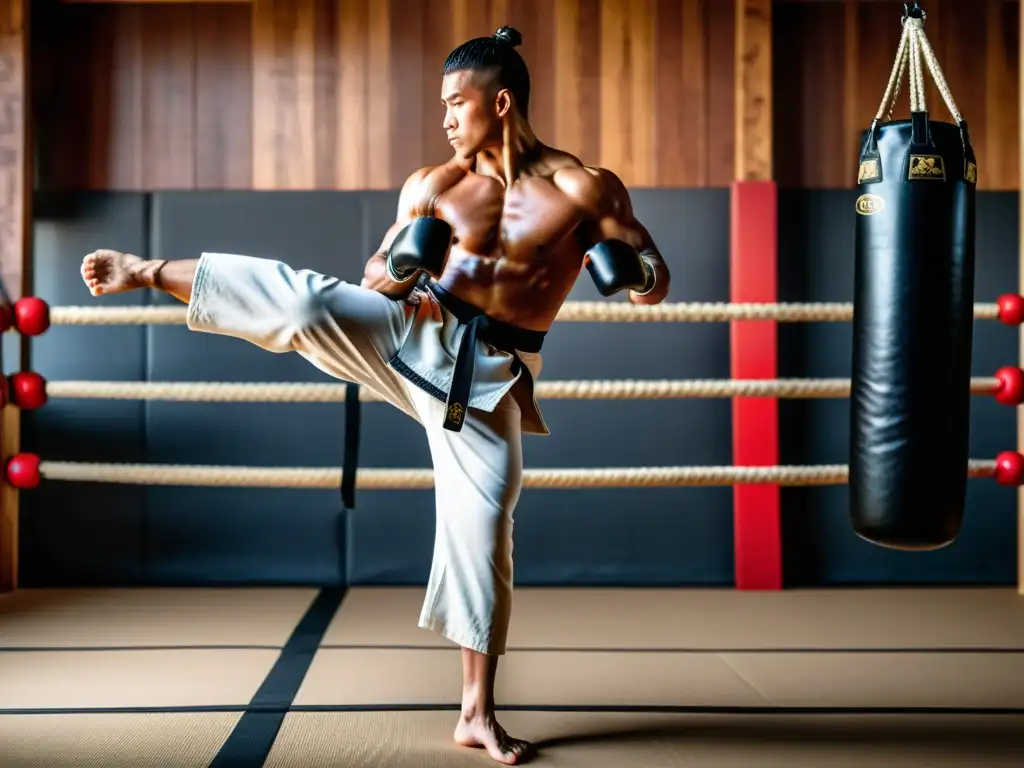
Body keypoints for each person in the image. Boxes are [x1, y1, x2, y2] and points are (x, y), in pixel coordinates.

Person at [79, 26, 670, 765]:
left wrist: (636, 274)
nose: (447, 119)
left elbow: (653, 278)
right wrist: (403, 263)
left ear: (502, 101)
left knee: (483, 530)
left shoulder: (585, 189)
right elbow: (370, 281)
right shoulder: (435, 184)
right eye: (443, 105)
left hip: (486, 377)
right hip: (412, 337)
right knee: (304, 304)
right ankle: (149, 269)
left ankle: (474, 713)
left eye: (458, 103)